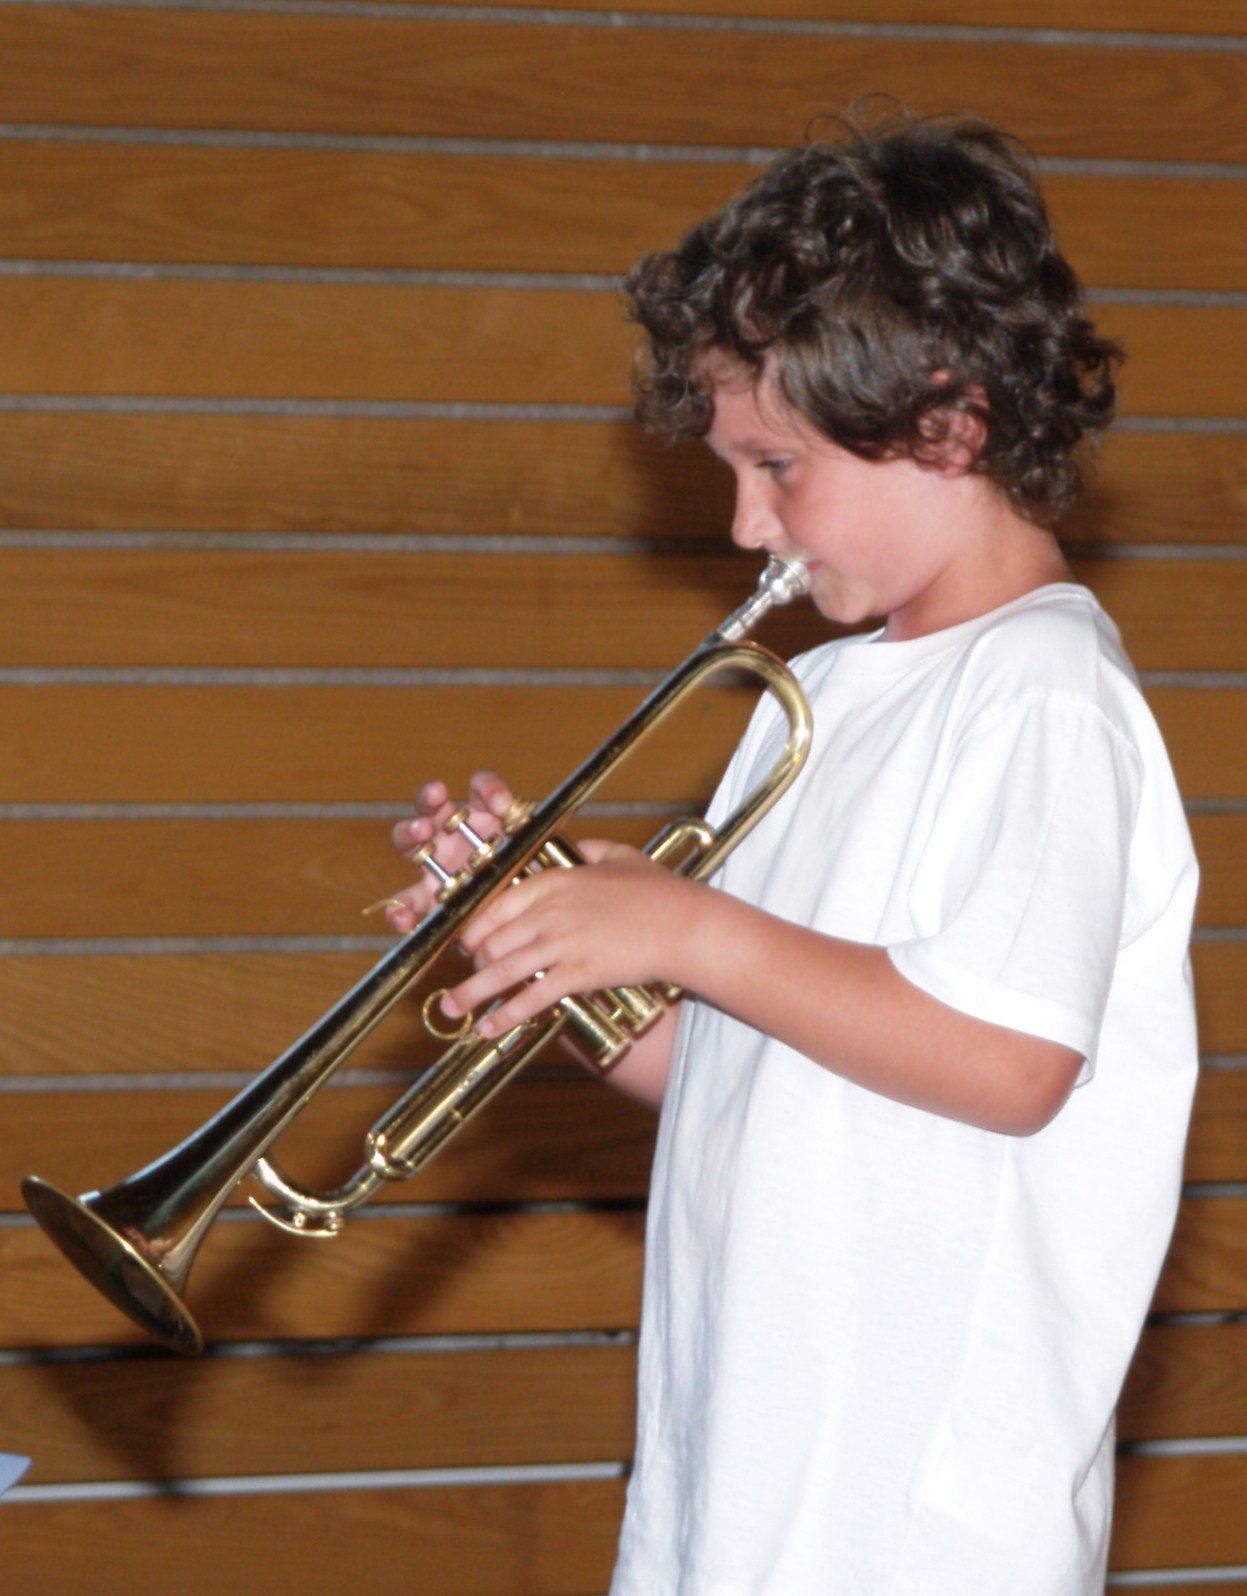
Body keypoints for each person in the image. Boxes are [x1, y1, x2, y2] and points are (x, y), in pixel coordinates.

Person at [383, 110, 1199, 1595]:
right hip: (742, 1487)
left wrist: (686, 929)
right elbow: (744, 1070)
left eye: (777, 466)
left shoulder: (1044, 693)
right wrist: (556, 960)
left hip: (921, 1534)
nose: (748, 524)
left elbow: (1013, 1060)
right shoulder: (807, 701)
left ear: (949, 427)